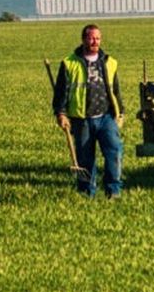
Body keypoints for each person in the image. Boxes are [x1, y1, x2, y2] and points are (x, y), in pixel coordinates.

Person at [52, 24, 124, 198]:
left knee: (114, 151)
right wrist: (60, 113)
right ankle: (86, 193)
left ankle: (113, 191)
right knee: (85, 159)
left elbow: (115, 90)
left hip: (106, 116)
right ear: (83, 39)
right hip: (81, 118)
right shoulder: (69, 63)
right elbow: (61, 92)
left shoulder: (109, 62)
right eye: (91, 38)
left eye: (98, 38)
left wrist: (120, 112)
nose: (95, 42)